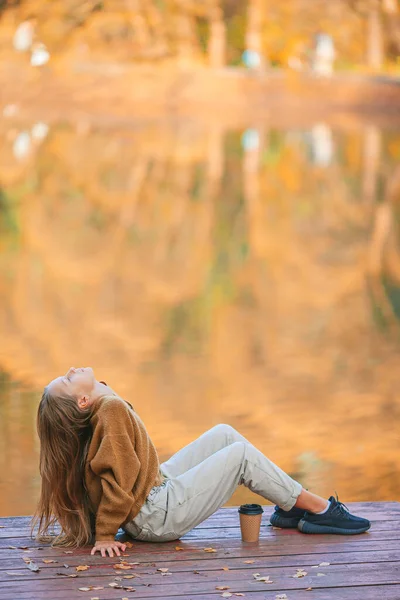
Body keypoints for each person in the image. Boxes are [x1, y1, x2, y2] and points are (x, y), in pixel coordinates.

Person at [31, 367, 371, 557]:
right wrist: (104, 535)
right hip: (155, 515)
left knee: (224, 434)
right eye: (65, 379)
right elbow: (117, 476)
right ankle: (319, 510)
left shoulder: (105, 406)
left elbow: (118, 462)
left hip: (154, 487)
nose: (70, 370)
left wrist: (100, 389)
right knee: (239, 456)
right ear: (84, 400)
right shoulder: (110, 410)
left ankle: (290, 506)